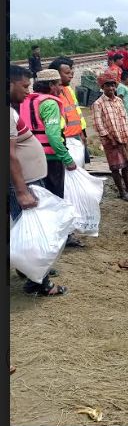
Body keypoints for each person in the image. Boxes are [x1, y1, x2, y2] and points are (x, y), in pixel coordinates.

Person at [10, 65, 68, 296]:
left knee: (26, 228)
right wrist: (22, 191)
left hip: (24, 180)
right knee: (35, 232)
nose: (28, 92)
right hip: (23, 183)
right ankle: (40, 283)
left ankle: (32, 271)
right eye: (24, 87)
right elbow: (10, 154)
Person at [92, 72, 128, 202]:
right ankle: (122, 191)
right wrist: (110, 138)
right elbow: (98, 124)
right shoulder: (98, 104)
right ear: (102, 87)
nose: (111, 88)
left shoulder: (119, 100)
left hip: (123, 137)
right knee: (115, 167)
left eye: (113, 85)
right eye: (108, 86)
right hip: (110, 140)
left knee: (126, 165)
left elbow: (124, 117)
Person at [48, 56, 89, 171]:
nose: (71, 75)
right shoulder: (52, 95)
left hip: (76, 136)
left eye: (71, 72)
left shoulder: (68, 89)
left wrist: (82, 132)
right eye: (67, 73)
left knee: (79, 170)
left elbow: (76, 112)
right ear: (56, 75)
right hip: (66, 140)